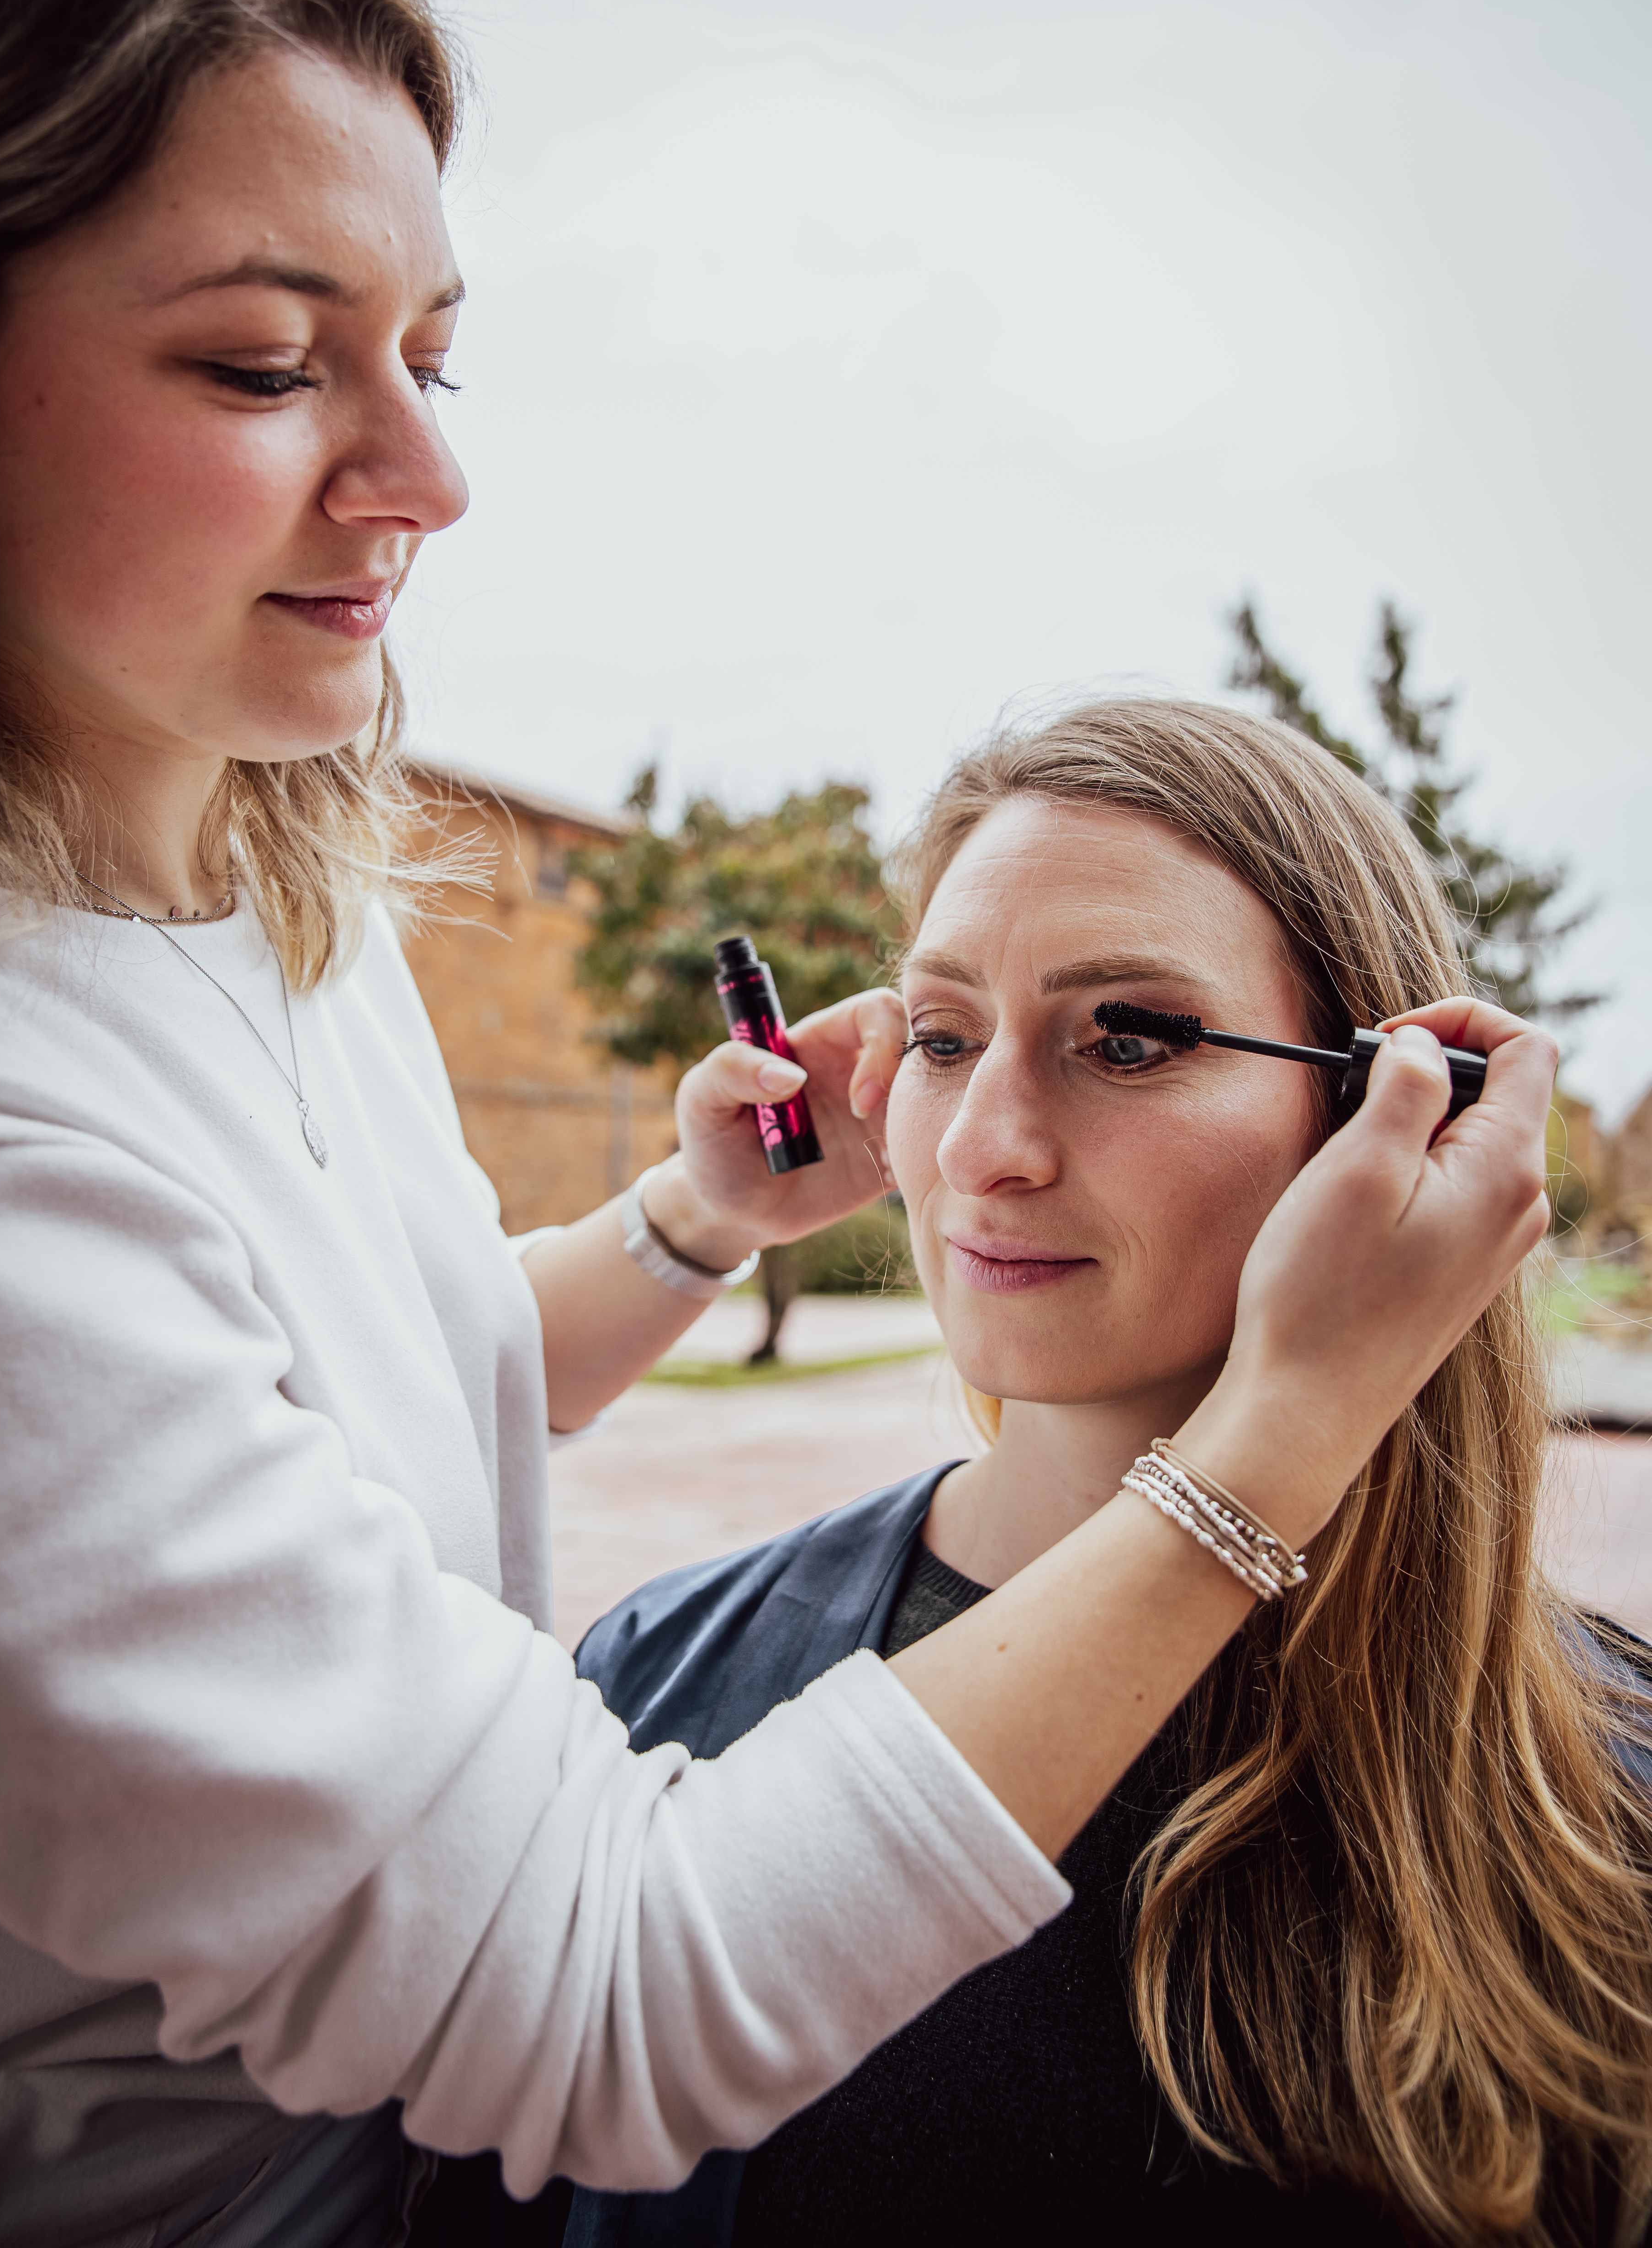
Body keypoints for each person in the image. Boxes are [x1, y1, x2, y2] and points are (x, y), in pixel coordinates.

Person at [0, 0, 1558, 2248]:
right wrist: (1291, 1423)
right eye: (269, 365)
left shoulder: (269, 894)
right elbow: (614, 1997)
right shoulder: (675, 1663)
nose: (430, 478)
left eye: (434, 352)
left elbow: (284, 1422)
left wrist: (688, 1227)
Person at [560, 700, 1652, 2248]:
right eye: (941, 1039)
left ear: (1389, 1114)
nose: (981, 1147)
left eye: (1128, 1037)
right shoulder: (660, 1682)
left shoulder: (1609, 1794)